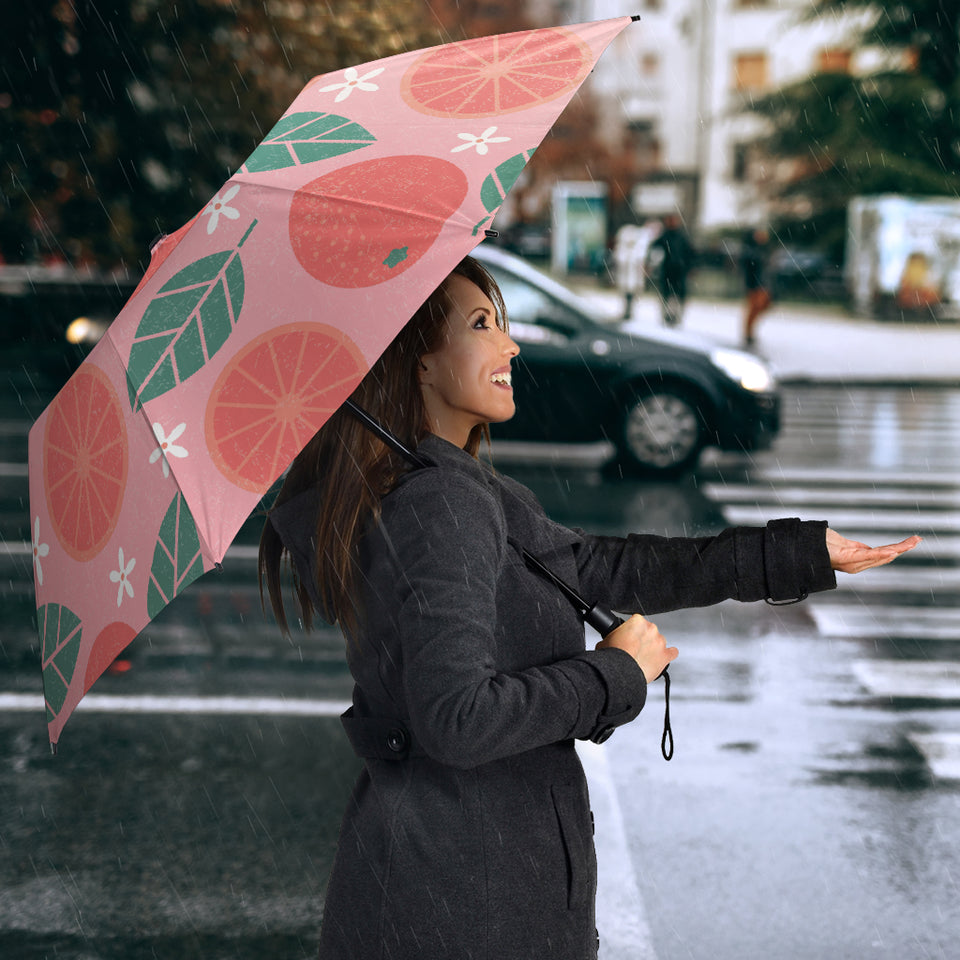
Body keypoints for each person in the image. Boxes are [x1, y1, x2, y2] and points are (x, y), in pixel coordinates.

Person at [258, 256, 919, 960]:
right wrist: (614, 673)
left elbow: (603, 567)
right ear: (416, 363)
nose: (510, 345)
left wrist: (796, 554)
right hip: (466, 902)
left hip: (454, 883)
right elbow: (456, 719)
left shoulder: (449, 488)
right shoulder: (440, 504)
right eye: (482, 325)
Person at [648, 213, 695, 327]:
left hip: (679, 271)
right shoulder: (665, 236)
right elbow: (654, 249)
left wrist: (690, 267)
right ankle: (667, 315)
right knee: (667, 294)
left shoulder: (681, 237)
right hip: (668, 270)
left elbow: (690, 253)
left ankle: (675, 316)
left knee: (677, 295)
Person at [741, 226, 773, 347]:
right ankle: (748, 333)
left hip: (763, 283)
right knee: (754, 308)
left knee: (762, 306)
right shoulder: (751, 250)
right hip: (755, 284)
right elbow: (750, 265)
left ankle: (750, 331)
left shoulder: (763, 249)